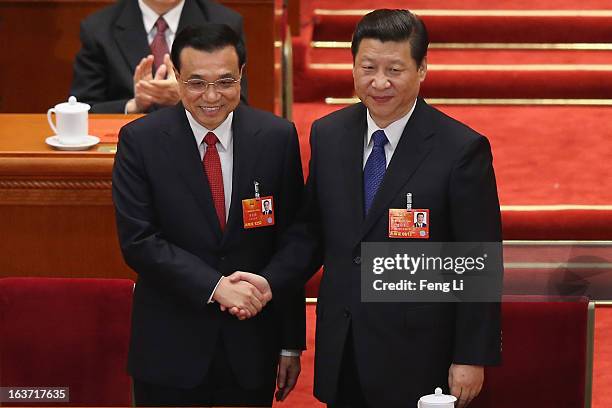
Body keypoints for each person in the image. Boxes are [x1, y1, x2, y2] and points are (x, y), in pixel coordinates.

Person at [228, 9, 502, 408]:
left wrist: (471, 356)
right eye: (367, 67)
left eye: (395, 69)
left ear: (422, 69)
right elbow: (311, 231)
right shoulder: (329, 134)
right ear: (353, 65)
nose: (379, 82)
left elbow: (477, 262)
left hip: (421, 354)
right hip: (345, 343)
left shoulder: (460, 150)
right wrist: (269, 281)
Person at [112, 24, 303, 407]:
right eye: (197, 83)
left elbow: (295, 238)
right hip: (170, 350)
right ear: (177, 77)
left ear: (242, 75)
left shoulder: (277, 137)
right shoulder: (140, 141)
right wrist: (216, 287)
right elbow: (140, 242)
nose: (212, 97)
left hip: (251, 348)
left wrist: (290, 344)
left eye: (225, 81)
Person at [71, 0, 247, 113]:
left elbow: (239, 107)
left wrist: (189, 95)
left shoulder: (225, 23)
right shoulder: (98, 28)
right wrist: (134, 105)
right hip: (127, 146)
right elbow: (83, 110)